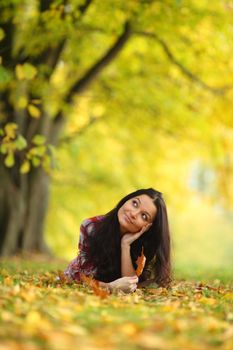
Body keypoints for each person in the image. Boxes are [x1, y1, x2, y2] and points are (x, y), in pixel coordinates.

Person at [64, 188, 172, 293]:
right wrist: (110, 287)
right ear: (126, 200)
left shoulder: (144, 245)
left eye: (144, 216)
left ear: (148, 227)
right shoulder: (91, 226)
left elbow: (130, 286)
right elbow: (80, 279)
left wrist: (125, 245)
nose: (133, 214)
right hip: (75, 277)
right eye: (135, 203)